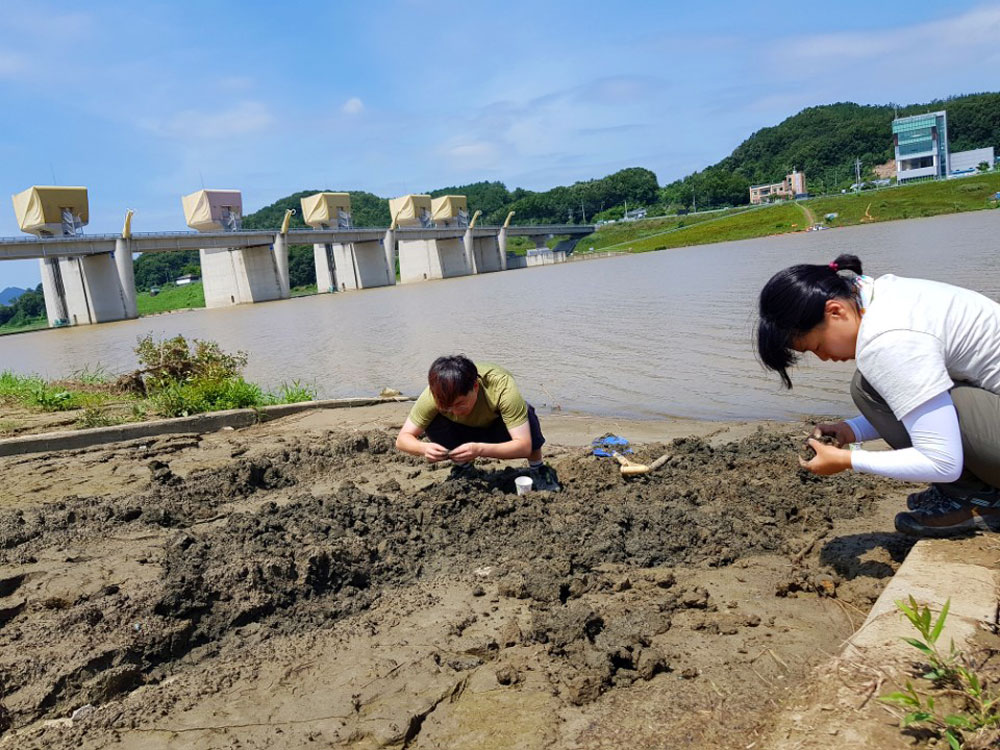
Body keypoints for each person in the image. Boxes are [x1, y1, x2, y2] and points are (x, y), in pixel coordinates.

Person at [755, 253, 1000, 538]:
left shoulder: (886, 340)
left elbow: (942, 461)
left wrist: (848, 460)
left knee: (874, 381)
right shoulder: (878, 294)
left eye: (817, 346)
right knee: (868, 386)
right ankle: (969, 491)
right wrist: (851, 430)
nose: (823, 358)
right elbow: (917, 403)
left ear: (836, 312)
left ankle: (979, 500)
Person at [395, 355, 561, 491]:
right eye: (446, 407)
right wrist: (423, 448)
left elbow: (523, 445)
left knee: (527, 414)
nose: (454, 411)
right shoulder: (434, 395)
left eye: (459, 404)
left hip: (499, 429)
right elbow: (402, 439)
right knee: (433, 421)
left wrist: (480, 449)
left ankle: (538, 469)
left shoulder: (501, 387)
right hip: (462, 433)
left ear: (475, 387)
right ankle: (464, 468)